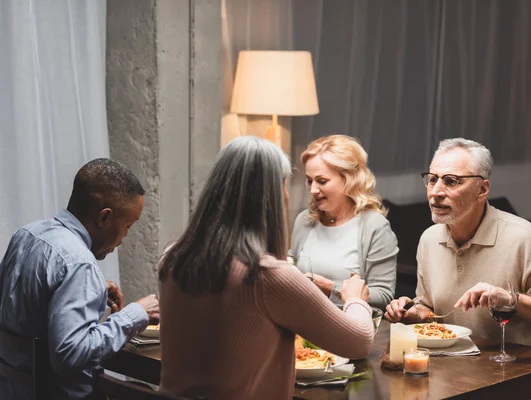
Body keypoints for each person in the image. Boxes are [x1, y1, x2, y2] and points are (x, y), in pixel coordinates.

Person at [158, 136, 374, 399]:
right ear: (269, 197)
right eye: (284, 185)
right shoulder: (267, 277)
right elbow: (358, 342)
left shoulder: (173, 259)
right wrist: (353, 299)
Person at [385, 138, 531, 350]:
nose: (436, 192)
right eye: (433, 180)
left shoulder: (524, 239)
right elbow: (429, 307)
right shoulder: (430, 239)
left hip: (524, 372)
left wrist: (511, 300)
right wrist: (414, 312)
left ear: (482, 189)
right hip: (459, 369)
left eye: (451, 181)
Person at [0, 158, 161, 399]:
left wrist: (86, 288)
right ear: (104, 217)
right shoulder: (79, 263)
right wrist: (134, 314)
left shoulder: (27, 234)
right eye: (128, 225)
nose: (125, 236)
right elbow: (70, 356)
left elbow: (22, 302)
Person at [289, 134, 398, 310]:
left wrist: (332, 289)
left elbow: (383, 296)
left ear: (349, 179)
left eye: (322, 181)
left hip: (350, 327)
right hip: (302, 325)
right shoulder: (304, 221)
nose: (313, 189)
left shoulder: (374, 227)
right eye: (309, 181)